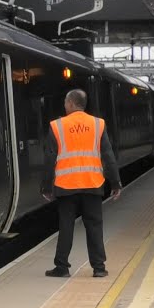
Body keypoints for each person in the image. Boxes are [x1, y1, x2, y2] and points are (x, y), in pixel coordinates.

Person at [41, 89, 122, 278]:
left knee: (66, 226)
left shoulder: (57, 126)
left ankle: (62, 267)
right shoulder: (98, 124)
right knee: (94, 226)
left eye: (65, 102)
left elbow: (49, 158)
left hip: (66, 185)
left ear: (70, 103)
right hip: (92, 184)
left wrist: (46, 186)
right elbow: (108, 156)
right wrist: (115, 183)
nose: (64, 105)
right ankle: (99, 267)